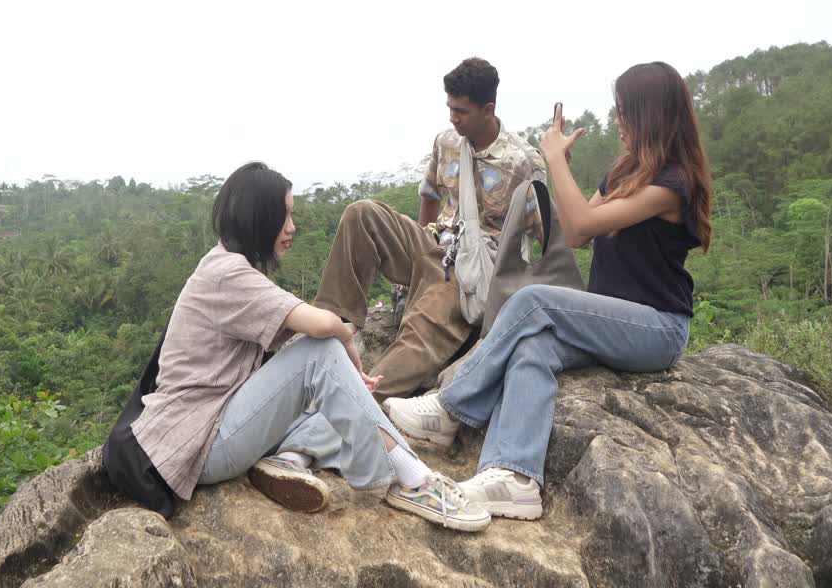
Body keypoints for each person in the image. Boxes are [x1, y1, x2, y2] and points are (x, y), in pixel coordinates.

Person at [385, 61, 713, 521]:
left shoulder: (674, 185)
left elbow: (581, 224)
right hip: (610, 321)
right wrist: (561, 169)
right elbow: (575, 234)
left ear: (649, 116)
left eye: (624, 113)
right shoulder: (627, 173)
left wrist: (553, 159)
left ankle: (449, 406)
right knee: (533, 345)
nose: (618, 123)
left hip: (656, 328)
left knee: (534, 300)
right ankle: (514, 477)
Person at [130, 161, 491, 532]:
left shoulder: (227, 265)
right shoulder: (226, 274)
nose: (292, 227)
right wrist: (346, 339)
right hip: (197, 445)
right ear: (259, 217)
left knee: (337, 394)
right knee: (319, 353)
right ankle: (408, 478)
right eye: (283, 215)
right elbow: (321, 325)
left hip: (214, 424)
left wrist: (345, 371)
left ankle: (291, 456)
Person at [314, 57, 547, 402]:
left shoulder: (522, 162)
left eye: (462, 111)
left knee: (422, 325)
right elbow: (430, 197)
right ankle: (333, 325)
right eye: (450, 107)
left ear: (488, 109)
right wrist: (421, 251)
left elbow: (542, 237)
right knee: (361, 213)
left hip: (475, 269)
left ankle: (355, 400)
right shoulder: (447, 141)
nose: (453, 117)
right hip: (437, 242)